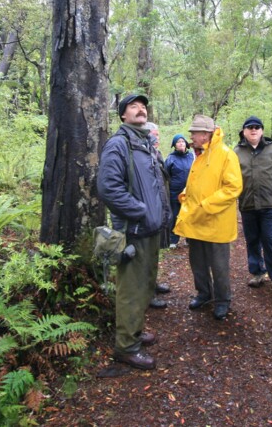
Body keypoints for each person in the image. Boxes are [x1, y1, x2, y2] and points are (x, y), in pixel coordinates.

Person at [97, 94, 170, 370]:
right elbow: (108, 188)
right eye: (133, 107)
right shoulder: (119, 144)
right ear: (123, 115)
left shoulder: (144, 143)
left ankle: (135, 332)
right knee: (131, 289)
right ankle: (126, 348)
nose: (140, 110)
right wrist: (139, 210)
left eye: (143, 106)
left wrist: (159, 214)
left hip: (150, 229)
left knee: (145, 285)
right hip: (133, 230)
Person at [174, 114, 243, 321]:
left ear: (205, 134)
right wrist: (187, 193)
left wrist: (205, 205)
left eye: (194, 133)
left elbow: (233, 188)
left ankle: (223, 300)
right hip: (195, 220)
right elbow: (199, 182)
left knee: (219, 266)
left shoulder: (226, 155)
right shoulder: (199, 154)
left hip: (216, 222)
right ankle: (204, 294)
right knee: (198, 263)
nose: (191, 137)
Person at [234, 115, 272, 294]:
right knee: (252, 240)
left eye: (257, 127)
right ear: (244, 131)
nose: (253, 129)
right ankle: (258, 272)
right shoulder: (236, 152)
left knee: (271, 239)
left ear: (262, 131)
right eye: (250, 127)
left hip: (271, 204)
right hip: (247, 205)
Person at [142, 121, 172, 310]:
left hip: (159, 211)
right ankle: (147, 293)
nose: (156, 138)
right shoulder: (143, 156)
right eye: (152, 134)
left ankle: (153, 284)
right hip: (147, 213)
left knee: (154, 253)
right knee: (145, 256)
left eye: (158, 135)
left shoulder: (157, 154)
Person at [164, 133, 193, 249]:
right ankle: (173, 240)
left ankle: (190, 239)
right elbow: (166, 176)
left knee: (190, 215)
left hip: (190, 192)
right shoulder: (171, 158)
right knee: (175, 215)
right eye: (178, 142)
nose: (181, 143)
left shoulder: (192, 157)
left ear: (186, 143)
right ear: (174, 145)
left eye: (182, 141)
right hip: (175, 192)